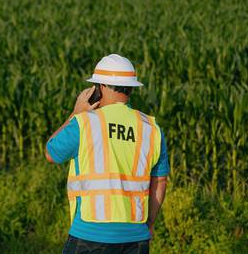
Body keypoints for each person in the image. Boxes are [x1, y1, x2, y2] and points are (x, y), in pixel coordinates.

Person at [46, 54, 169, 253]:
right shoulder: (152, 129)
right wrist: (149, 224)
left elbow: (51, 153)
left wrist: (75, 113)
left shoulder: (85, 122)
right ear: (131, 88)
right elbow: (160, 182)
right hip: (135, 236)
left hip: (89, 233)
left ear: (100, 87)